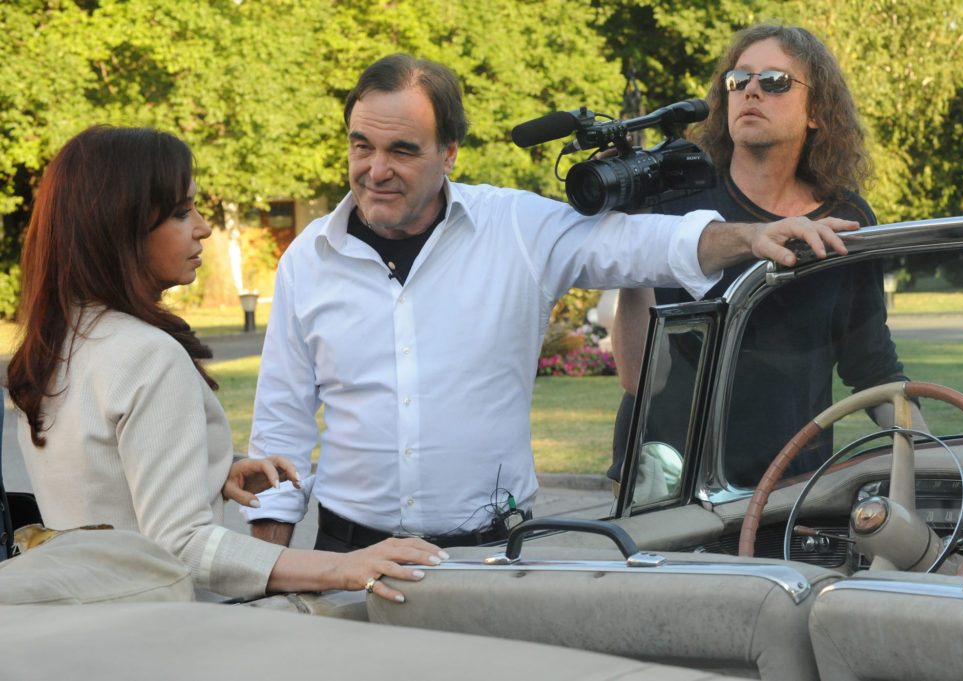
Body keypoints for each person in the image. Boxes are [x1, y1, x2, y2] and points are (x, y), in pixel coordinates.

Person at [243, 53, 857, 552]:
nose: (376, 170)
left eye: (403, 150)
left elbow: (644, 241)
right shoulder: (307, 259)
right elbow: (280, 432)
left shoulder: (515, 227)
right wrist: (267, 576)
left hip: (485, 555)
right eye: (361, 147)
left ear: (449, 152)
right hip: (349, 553)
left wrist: (748, 237)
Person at [4, 125, 446, 602]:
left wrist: (209, 469)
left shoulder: (60, 345)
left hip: (79, 618)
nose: (203, 227)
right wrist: (344, 567)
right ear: (119, 227)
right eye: (180, 212)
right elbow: (179, 547)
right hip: (152, 628)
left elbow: (99, 478)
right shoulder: (147, 355)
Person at [611, 24, 919, 486]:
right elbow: (640, 380)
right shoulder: (673, 199)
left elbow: (870, 364)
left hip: (788, 486)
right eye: (738, 80)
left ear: (816, 110)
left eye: (775, 81)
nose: (751, 90)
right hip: (664, 481)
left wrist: (936, 453)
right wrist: (631, 245)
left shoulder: (845, 217)